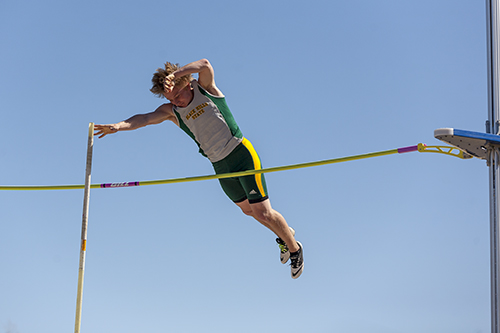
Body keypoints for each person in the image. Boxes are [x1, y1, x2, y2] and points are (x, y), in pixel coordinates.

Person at [94, 59, 304, 279]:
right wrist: (118, 126)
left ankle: (295, 249)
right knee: (249, 211)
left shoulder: (205, 89)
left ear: (186, 84)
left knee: (263, 212)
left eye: (177, 95)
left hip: (241, 154)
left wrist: (174, 76)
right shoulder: (172, 111)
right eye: (170, 99)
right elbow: (145, 118)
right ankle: (285, 233)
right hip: (219, 164)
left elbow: (204, 64)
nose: (176, 102)